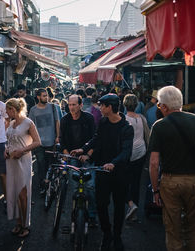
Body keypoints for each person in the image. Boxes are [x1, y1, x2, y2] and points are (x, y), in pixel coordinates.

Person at [148, 86, 195, 251]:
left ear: (164, 106)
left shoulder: (159, 126)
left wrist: (155, 190)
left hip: (170, 182)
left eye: (159, 105)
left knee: (173, 229)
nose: (159, 108)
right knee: (193, 227)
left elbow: (153, 163)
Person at [71, 94, 134, 251]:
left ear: (110, 107)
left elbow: (127, 152)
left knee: (119, 206)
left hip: (119, 173)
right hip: (101, 170)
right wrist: (83, 149)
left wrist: (113, 163)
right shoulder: (104, 122)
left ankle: (117, 236)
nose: (99, 108)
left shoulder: (127, 127)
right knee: (101, 204)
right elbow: (96, 139)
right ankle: (107, 234)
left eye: (102, 105)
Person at [59, 94, 97, 226]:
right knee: (75, 187)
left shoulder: (89, 118)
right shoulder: (65, 120)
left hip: (87, 156)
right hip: (72, 157)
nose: (71, 107)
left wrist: (88, 155)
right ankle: (76, 212)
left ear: (81, 105)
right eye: (69, 104)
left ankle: (92, 215)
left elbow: (95, 139)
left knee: (90, 186)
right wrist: (66, 154)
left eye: (74, 105)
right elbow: (62, 140)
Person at [5, 98, 41, 238]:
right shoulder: (12, 123)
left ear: (13, 109)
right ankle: (18, 222)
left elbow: (38, 142)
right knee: (14, 192)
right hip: (11, 160)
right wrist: (6, 149)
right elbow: (9, 140)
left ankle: (26, 225)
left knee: (22, 193)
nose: (6, 113)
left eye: (8, 110)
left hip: (23, 160)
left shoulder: (28, 122)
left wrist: (22, 151)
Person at [123, 94, 150, 222]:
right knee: (136, 182)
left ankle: (130, 204)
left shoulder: (123, 119)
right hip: (141, 152)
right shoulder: (142, 118)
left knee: (123, 181)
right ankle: (135, 210)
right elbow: (147, 135)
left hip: (127, 154)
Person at [29, 88, 60, 194]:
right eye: (43, 96)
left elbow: (57, 122)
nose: (46, 97)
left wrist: (57, 136)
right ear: (38, 97)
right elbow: (31, 125)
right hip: (39, 142)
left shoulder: (53, 107)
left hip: (51, 141)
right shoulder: (33, 110)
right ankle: (42, 185)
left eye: (46, 95)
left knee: (50, 164)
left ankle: (50, 184)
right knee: (41, 164)